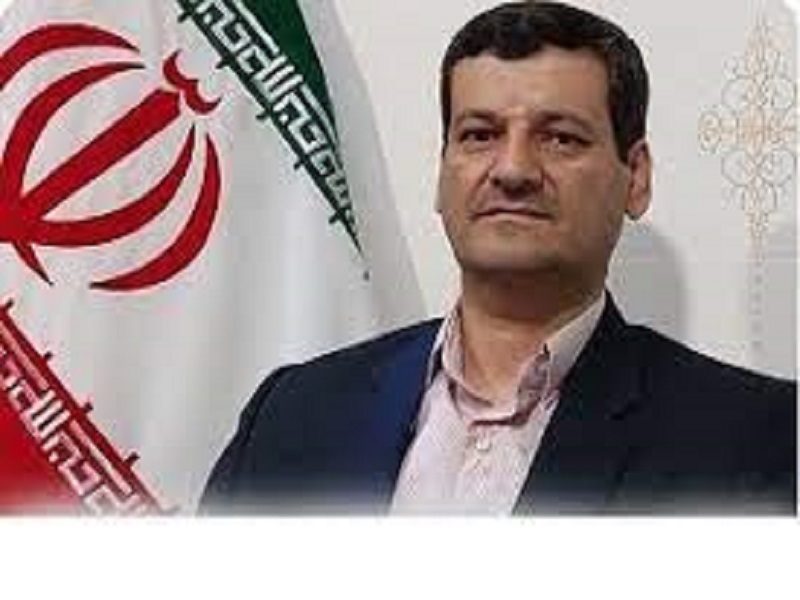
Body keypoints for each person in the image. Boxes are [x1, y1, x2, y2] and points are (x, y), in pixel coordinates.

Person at [200, 1, 796, 515]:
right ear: (442, 173)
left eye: (560, 138)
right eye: (480, 135)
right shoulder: (293, 415)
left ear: (635, 177)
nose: (512, 170)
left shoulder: (755, 438)